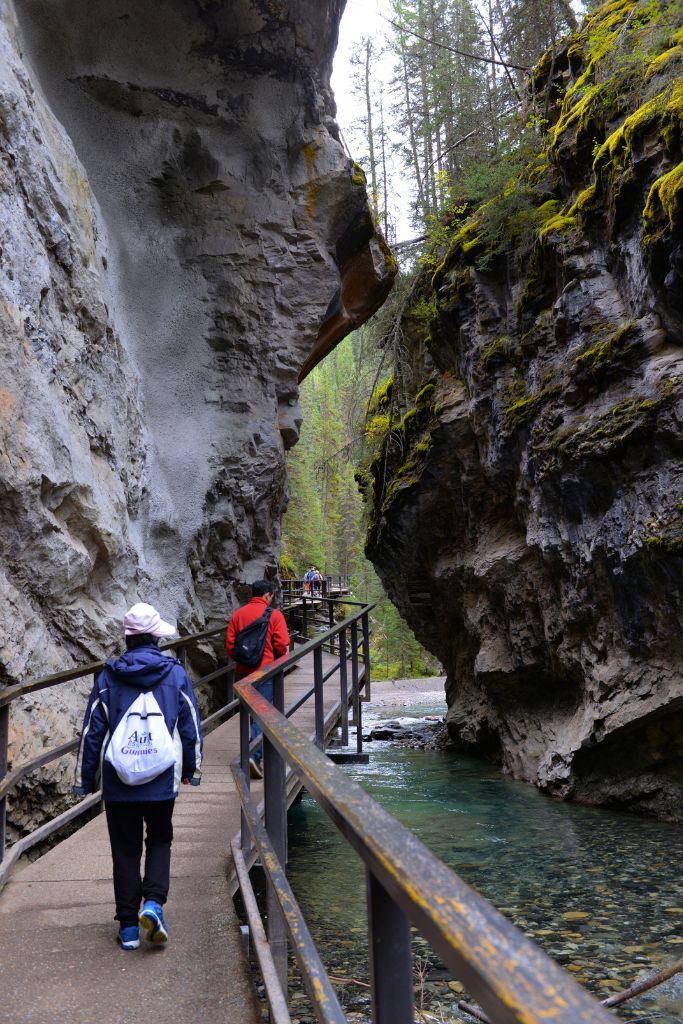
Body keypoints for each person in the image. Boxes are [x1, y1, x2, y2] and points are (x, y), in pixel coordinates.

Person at [73, 602, 203, 951]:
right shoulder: (174, 675)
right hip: (161, 780)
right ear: (156, 637)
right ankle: (154, 903)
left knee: (125, 851)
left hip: (119, 782)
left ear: (128, 638)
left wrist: (86, 781)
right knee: (160, 840)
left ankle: (129, 928)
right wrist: (191, 769)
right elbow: (190, 727)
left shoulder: (108, 677)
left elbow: (91, 733)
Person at [226, 580, 290, 779]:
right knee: (262, 712)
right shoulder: (274, 615)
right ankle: (254, 755)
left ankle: (250, 752)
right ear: (268, 595)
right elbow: (281, 644)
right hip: (266, 671)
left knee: (248, 713)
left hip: (243, 671)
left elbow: (230, 645)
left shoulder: (237, 615)